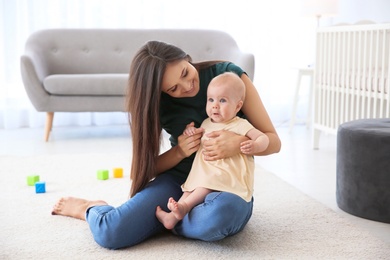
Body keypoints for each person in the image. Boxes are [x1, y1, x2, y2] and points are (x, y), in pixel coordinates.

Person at [51, 41, 281, 249]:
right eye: (173, 89)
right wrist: (180, 151)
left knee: (221, 215)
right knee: (111, 232)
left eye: (184, 72)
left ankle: (168, 220)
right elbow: (141, 170)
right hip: (181, 183)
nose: (186, 86)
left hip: (227, 184)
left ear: (187, 57)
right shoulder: (158, 104)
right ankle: (91, 208)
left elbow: (273, 141)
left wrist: (238, 143)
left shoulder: (228, 79)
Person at [156, 72, 269, 229]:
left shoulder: (240, 125)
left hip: (224, 174)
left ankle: (185, 208)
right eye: (211, 100)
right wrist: (190, 132)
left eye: (222, 100)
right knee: (191, 188)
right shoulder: (206, 122)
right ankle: (171, 218)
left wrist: (255, 145)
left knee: (204, 186)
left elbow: (263, 138)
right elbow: (198, 135)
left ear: (238, 106)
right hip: (205, 171)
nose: (215, 105)